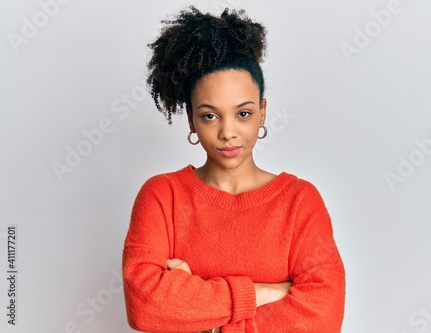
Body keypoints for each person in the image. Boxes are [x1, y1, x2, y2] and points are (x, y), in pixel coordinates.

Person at [122, 6, 345, 333]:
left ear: (262, 113)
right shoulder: (162, 197)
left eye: (243, 114)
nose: (228, 132)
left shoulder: (300, 201)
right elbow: (145, 307)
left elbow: (322, 319)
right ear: (191, 119)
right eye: (210, 115)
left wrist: (202, 318)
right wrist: (265, 293)